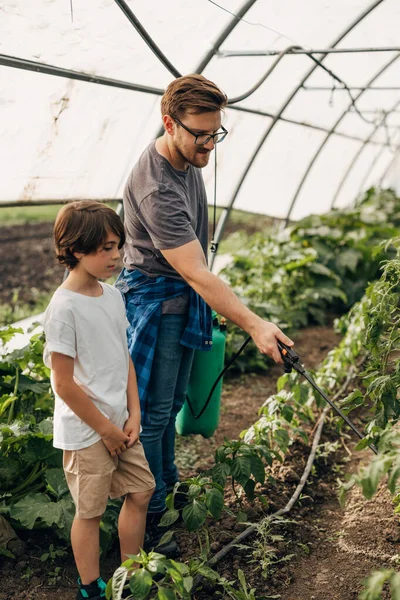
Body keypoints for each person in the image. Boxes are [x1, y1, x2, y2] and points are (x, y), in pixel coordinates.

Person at [116, 74, 293, 550]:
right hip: (157, 303)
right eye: (201, 133)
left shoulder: (188, 156)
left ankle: (167, 486)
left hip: (181, 298)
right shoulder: (156, 188)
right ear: (169, 123)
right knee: (152, 415)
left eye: (217, 132)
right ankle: (149, 515)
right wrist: (254, 323)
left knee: (170, 406)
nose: (211, 143)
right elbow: (196, 272)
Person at [43, 201, 155, 600]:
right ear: (75, 249)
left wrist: (134, 411)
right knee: (89, 511)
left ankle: (130, 576)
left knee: (141, 490)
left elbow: (122, 354)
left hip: (119, 421)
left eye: (118, 245)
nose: (116, 256)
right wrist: (106, 430)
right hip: (88, 429)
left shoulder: (112, 296)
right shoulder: (63, 308)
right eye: (105, 248)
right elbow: (64, 384)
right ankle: (89, 587)